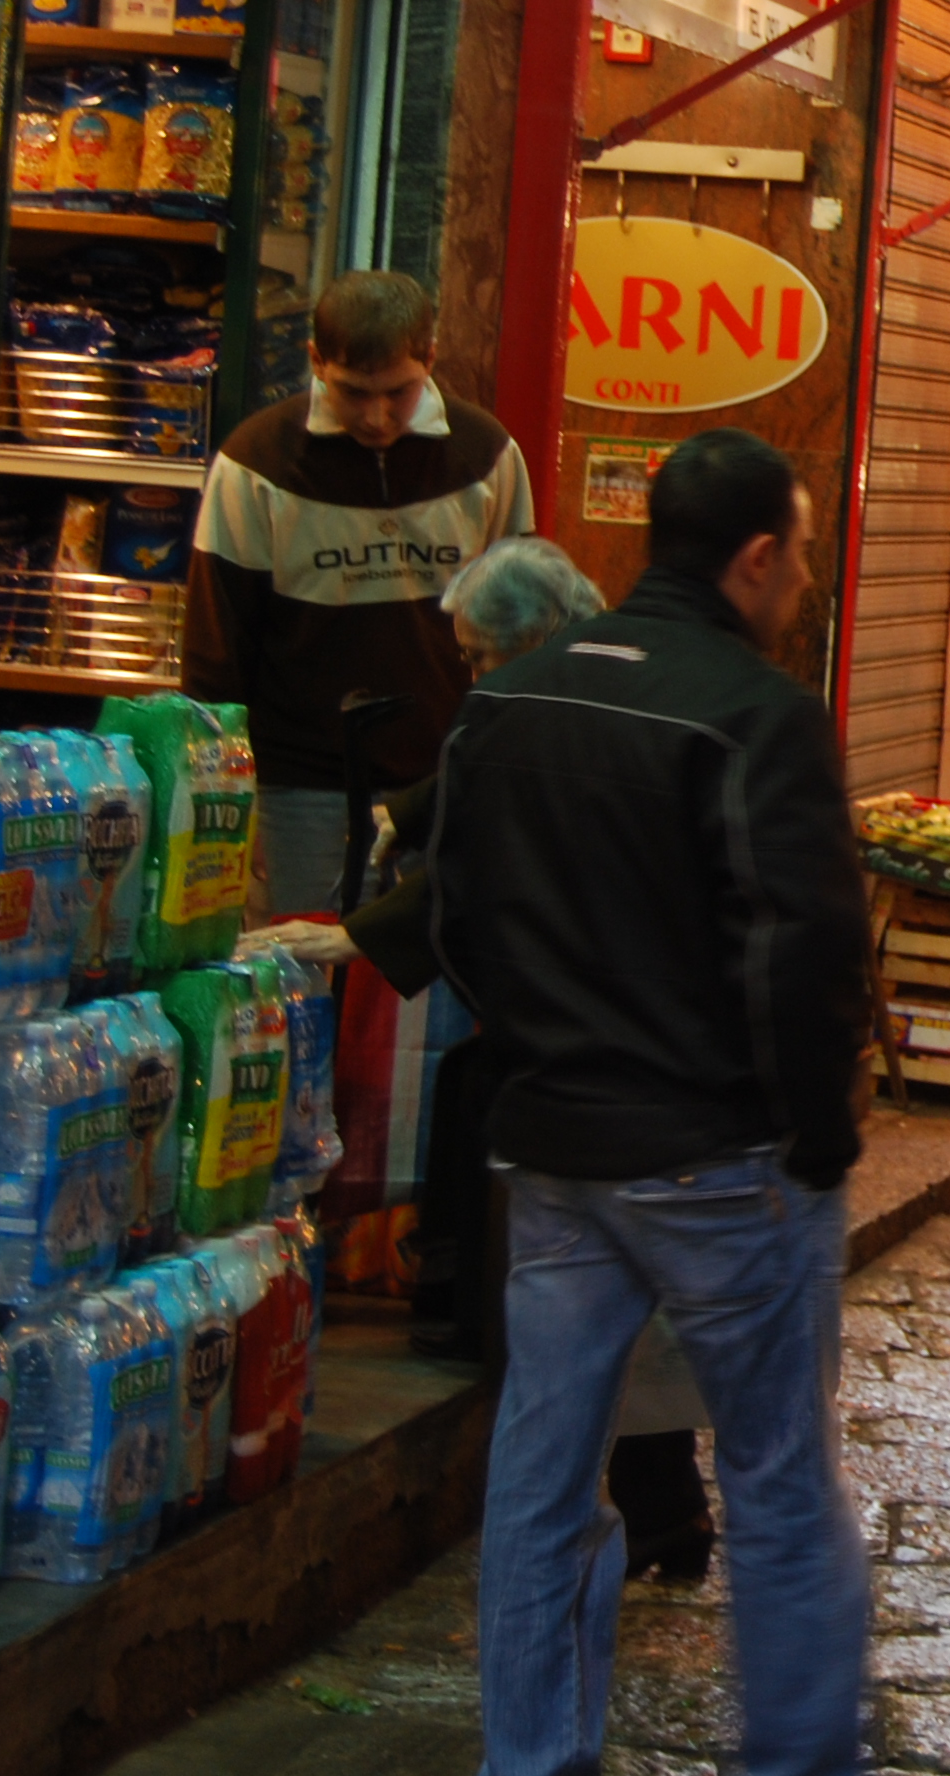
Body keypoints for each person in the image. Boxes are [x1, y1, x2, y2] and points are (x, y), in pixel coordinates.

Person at [433, 429, 875, 1776]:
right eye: (797, 558)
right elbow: (803, 950)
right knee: (780, 1484)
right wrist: (818, 1130)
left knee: (539, 1482)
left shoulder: (510, 700)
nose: (800, 584)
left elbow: (459, 926)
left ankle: (534, 1755)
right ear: (753, 558)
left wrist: (543, 1052)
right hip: (721, 1161)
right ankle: (798, 1758)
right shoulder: (757, 713)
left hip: (558, 1155)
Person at [259, 537, 719, 1583]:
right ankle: (656, 1514)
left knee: (583, 1292)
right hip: (625, 1048)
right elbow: (466, 788)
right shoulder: (581, 683)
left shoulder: (557, 712)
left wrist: (360, 935)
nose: (469, 676)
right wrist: (403, 813)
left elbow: (488, 856)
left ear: (534, 638)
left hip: (598, 1050)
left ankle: (581, 1528)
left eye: (476, 657)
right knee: (612, 1287)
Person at [187, 268, 535, 918]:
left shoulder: (487, 456)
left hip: (443, 779)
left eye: (398, 393)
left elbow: (524, 639)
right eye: (351, 393)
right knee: (302, 985)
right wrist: (229, 801)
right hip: (296, 789)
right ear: (315, 362)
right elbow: (215, 652)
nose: (376, 418)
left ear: (430, 359)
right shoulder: (254, 463)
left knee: (424, 998)